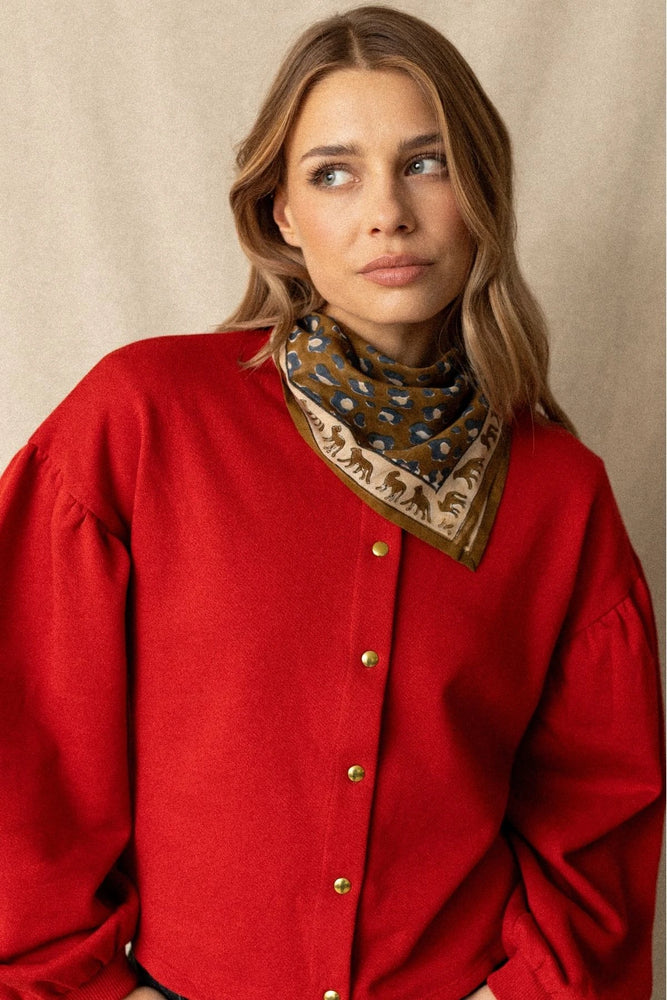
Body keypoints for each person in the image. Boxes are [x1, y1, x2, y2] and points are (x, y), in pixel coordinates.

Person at [0, 6, 662, 1000]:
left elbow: (596, 813)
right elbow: (24, 742)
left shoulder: (560, 493)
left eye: (427, 164)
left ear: (481, 191)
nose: (386, 212)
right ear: (280, 214)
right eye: (333, 173)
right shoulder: (142, 419)